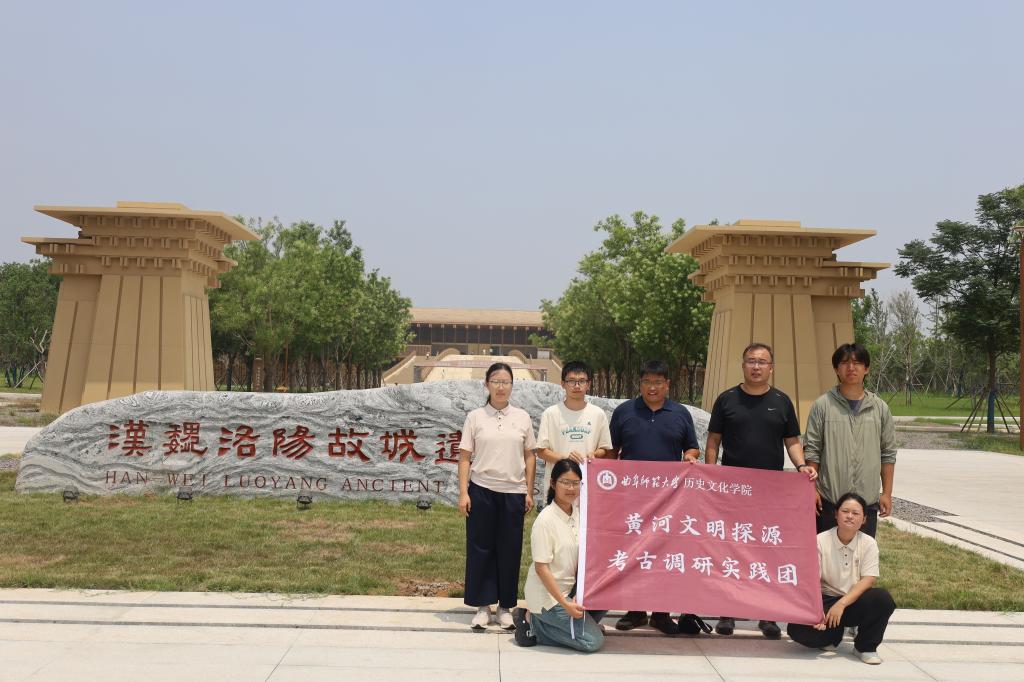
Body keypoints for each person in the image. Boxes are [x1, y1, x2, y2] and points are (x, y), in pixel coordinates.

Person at [704, 342, 818, 640]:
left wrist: (802, 465)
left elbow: (791, 440)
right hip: (732, 490)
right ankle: (727, 612)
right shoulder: (726, 399)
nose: (756, 366)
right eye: (751, 361)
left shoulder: (781, 401)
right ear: (743, 365)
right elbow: (714, 440)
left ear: (771, 368)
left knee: (767, 550)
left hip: (770, 492)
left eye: (762, 362)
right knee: (730, 549)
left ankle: (768, 615)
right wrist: (710, 473)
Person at [609, 359, 704, 636]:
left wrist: (690, 458)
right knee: (635, 553)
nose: (652, 387)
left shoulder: (680, 413)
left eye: (658, 382)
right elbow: (611, 451)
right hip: (632, 498)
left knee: (664, 554)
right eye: (647, 382)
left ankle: (661, 614)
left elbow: (692, 448)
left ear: (667, 384)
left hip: (668, 500)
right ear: (640, 384)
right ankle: (635, 611)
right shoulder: (624, 412)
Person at [458, 362, 537, 630]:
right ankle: (483, 606)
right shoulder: (475, 417)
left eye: (505, 382)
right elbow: (465, 457)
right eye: (496, 381)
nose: (501, 387)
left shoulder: (522, 417)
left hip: (513, 492)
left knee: (510, 550)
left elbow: (529, 455)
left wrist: (528, 490)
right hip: (482, 489)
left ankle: (505, 607)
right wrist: (464, 492)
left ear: (512, 386)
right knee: (480, 548)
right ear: (486, 384)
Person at [786, 492, 896, 665]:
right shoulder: (819, 540)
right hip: (826, 599)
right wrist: (816, 611)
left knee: (882, 599)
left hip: (853, 601)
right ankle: (833, 635)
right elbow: (812, 579)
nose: (850, 516)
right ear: (836, 514)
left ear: (864, 519)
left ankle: (865, 647)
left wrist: (842, 604)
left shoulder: (868, 543)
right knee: (796, 629)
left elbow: (868, 580)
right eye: (845, 511)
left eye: (855, 513)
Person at [804, 343, 897, 538]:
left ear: (867, 368)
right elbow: (812, 450)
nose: (851, 368)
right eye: (845, 363)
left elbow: (888, 453)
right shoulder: (822, 405)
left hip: (866, 503)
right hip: (829, 501)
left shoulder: (880, 408)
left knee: (862, 554)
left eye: (857, 363)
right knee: (825, 554)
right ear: (836, 369)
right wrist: (811, 490)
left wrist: (887, 493)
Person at [512, 458, 604, 652]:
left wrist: (580, 593)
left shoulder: (579, 514)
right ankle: (532, 622)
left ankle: (570, 626)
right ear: (553, 484)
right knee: (593, 641)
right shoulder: (545, 520)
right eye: (565, 482)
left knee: (607, 594)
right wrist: (565, 604)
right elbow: (541, 568)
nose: (571, 488)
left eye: (575, 483)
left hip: (571, 589)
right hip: (550, 597)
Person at [536, 360, 612, 504]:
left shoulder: (598, 414)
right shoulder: (551, 413)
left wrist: (594, 454)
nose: (577, 386)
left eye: (582, 381)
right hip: (559, 484)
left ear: (588, 384)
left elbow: (605, 449)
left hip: (588, 484)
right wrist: (564, 459)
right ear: (562, 384)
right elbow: (541, 451)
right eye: (571, 381)